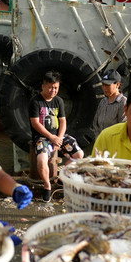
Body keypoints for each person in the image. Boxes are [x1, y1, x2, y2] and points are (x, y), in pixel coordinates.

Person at [29, 71, 83, 201]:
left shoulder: (59, 101)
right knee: (42, 160)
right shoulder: (35, 101)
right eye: (50, 87)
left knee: (79, 155)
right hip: (42, 137)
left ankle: (62, 179)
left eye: (56, 88)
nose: (53, 90)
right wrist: (51, 138)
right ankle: (47, 186)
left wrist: (59, 138)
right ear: (43, 86)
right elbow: (35, 123)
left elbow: (63, 121)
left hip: (58, 135)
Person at [92, 69, 126, 137]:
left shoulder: (123, 102)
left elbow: (123, 128)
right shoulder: (103, 102)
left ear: (117, 84)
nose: (104, 88)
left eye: (107, 85)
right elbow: (95, 125)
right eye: (103, 85)